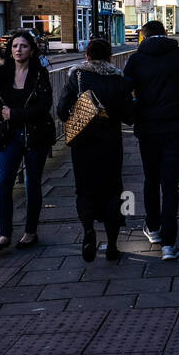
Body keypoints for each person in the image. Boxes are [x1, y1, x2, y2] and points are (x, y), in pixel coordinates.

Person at [123, 20, 179, 261]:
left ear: (144, 37)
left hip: (147, 129)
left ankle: (153, 228)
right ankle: (169, 244)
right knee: (170, 183)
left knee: (151, 178)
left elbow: (123, 93)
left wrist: (135, 113)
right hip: (174, 127)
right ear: (165, 34)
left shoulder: (135, 60)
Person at [59, 37, 134, 263]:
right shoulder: (119, 80)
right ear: (110, 56)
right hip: (110, 144)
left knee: (84, 190)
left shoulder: (78, 76)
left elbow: (61, 110)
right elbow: (130, 116)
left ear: (87, 55)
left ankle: (89, 230)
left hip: (83, 145)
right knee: (113, 191)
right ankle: (112, 245)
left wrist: (80, 116)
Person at [0, 30, 56, 252]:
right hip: (10, 136)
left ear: (31, 50)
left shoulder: (39, 74)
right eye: (15, 46)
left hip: (36, 136)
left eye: (23, 46)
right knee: (3, 182)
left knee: (31, 184)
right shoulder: (2, 73)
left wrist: (15, 115)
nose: (18, 50)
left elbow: (44, 106)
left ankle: (30, 232)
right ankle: (4, 234)